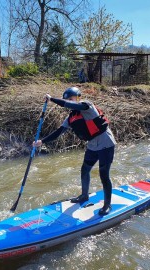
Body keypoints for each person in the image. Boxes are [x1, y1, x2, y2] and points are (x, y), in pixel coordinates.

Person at [33, 87, 116, 215]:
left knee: (104, 174)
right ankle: (84, 195)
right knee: (85, 169)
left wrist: (52, 99)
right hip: (93, 145)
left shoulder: (87, 105)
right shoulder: (71, 117)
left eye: (71, 99)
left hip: (106, 142)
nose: (69, 102)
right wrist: (42, 141)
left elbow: (68, 104)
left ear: (78, 98)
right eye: (68, 100)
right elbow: (58, 132)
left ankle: (107, 205)